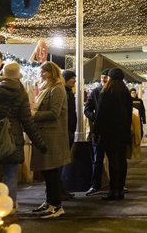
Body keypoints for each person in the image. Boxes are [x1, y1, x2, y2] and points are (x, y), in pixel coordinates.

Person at [0, 61, 46, 204]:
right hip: (12, 138)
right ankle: (9, 206)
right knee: (10, 175)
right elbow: (27, 121)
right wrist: (39, 143)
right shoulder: (21, 93)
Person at [31, 61, 70, 218]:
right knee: (47, 173)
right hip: (45, 135)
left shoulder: (57, 89)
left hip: (52, 136)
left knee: (52, 172)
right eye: (41, 71)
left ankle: (56, 205)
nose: (41, 74)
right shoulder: (45, 88)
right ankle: (49, 202)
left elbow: (54, 113)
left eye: (44, 72)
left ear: (52, 73)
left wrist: (33, 115)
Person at [94, 68, 132, 201]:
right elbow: (129, 114)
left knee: (113, 161)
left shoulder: (106, 92)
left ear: (110, 78)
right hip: (123, 132)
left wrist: (96, 131)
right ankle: (120, 189)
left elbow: (101, 114)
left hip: (109, 132)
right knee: (122, 160)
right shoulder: (125, 92)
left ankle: (113, 190)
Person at [84, 69, 109, 196]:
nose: (103, 80)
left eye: (106, 77)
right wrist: (95, 117)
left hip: (112, 132)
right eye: (102, 77)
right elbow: (87, 110)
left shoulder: (116, 91)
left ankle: (117, 184)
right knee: (97, 160)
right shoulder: (95, 92)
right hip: (98, 132)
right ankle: (95, 185)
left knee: (114, 160)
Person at [61, 70, 78, 201]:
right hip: (65, 130)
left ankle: (61, 188)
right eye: (72, 78)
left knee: (64, 161)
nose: (75, 81)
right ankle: (59, 189)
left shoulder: (69, 92)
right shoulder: (63, 92)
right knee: (61, 162)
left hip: (69, 130)